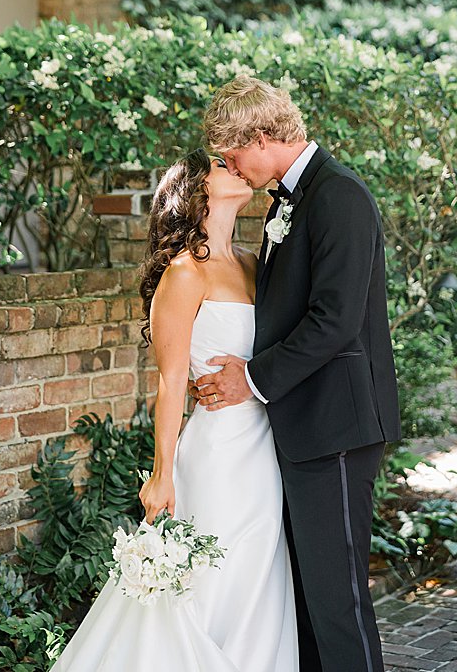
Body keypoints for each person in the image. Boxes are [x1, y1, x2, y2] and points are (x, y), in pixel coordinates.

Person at [51, 148, 297, 672]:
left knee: (258, 581)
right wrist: (162, 475)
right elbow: (169, 382)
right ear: (196, 190)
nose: (235, 165)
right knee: (210, 583)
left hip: (265, 453)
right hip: (217, 457)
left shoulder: (255, 265)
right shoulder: (185, 273)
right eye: (220, 164)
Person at [194, 75, 401, 672]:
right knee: (308, 601)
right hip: (302, 423)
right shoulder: (291, 199)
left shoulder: (338, 196)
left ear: (261, 137)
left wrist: (251, 379)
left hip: (335, 424)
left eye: (233, 155)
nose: (233, 166)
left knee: (337, 603)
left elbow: (334, 321)